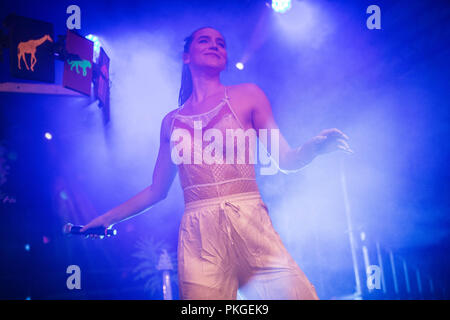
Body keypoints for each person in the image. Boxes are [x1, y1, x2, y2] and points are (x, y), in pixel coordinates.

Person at [82, 26, 353, 300]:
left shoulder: (249, 95)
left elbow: (285, 160)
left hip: (252, 223)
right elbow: (156, 190)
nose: (215, 45)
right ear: (186, 57)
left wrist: (313, 148)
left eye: (221, 43)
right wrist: (106, 219)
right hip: (200, 238)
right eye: (205, 40)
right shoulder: (171, 122)